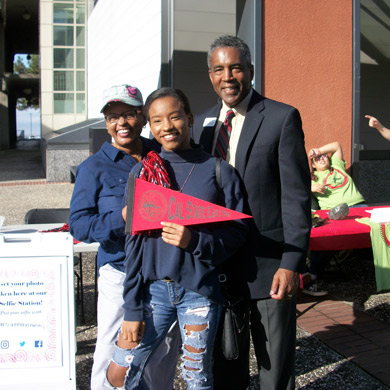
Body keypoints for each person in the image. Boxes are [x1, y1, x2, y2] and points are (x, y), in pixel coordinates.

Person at [192, 35, 312, 390]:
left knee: (274, 367)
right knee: (226, 362)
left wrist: (291, 263)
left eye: (235, 68)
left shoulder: (281, 118)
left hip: (268, 266)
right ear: (210, 75)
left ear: (251, 71)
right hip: (218, 266)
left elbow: (296, 197)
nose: (227, 76)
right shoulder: (201, 124)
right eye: (219, 69)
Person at [108, 87, 248, 390]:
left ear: (190, 117)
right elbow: (133, 246)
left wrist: (194, 241)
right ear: (150, 126)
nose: (167, 127)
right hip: (152, 292)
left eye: (175, 117)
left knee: (196, 377)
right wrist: (132, 308)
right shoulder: (142, 173)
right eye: (157, 121)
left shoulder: (219, 171)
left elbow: (238, 232)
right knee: (120, 374)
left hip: (199, 292)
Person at [69, 84, 180, 390]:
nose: (121, 123)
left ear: (142, 117)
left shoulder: (163, 155)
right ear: (105, 122)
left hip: (164, 272)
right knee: (114, 348)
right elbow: (79, 225)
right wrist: (123, 218)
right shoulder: (93, 168)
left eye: (129, 114)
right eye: (113, 116)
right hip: (120, 271)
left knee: (164, 350)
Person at [305, 141, 366, 296]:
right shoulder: (312, 178)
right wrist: (309, 186)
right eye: (317, 158)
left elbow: (337, 145)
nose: (322, 158)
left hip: (360, 208)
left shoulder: (338, 167)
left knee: (383, 230)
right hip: (333, 215)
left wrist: (317, 150)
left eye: (324, 156)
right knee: (325, 241)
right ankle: (310, 280)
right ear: (312, 165)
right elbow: (292, 184)